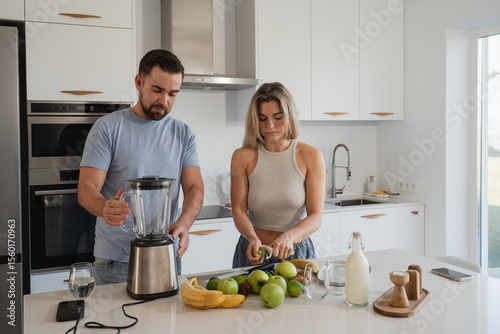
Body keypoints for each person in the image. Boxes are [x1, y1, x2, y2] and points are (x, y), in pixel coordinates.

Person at [78, 49, 204, 285]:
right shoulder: (107, 128)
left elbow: (195, 186)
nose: (164, 100)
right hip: (116, 260)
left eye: (172, 94)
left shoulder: (183, 134)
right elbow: (86, 188)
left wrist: (184, 223)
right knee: (113, 322)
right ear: (139, 82)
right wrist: (105, 207)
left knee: (167, 321)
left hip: (166, 253)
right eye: (157, 90)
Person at [230, 82, 326, 268]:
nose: (270, 125)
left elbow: (316, 216)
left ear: (289, 116)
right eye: (262, 118)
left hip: (296, 253)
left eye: (277, 117)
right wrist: (251, 238)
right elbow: (239, 210)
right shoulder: (242, 156)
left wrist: (289, 237)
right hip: (253, 251)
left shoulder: (311, 156)